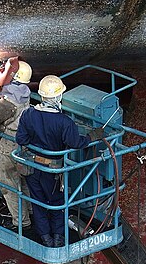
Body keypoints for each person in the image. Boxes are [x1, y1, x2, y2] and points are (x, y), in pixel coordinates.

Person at [16, 74, 105, 247]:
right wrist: (93, 136)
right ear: (58, 96)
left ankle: (45, 237)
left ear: (42, 95)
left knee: (38, 202)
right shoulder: (64, 122)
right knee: (57, 202)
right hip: (53, 170)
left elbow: (21, 139)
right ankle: (58, 236)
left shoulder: (28, 114)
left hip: (32, 167)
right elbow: (76, 143)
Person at [0, 58, 33, 231]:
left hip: (9, 146)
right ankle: (31, 212)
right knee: (24, 181)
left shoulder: (8, 102)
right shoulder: (24, 93)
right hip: (24, 144)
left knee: (9, 185)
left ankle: (21, 222)